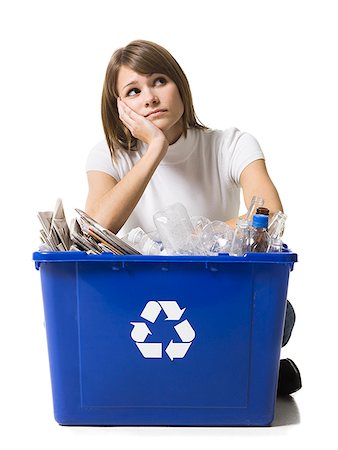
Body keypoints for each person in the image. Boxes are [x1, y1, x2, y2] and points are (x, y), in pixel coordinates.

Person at [85, 39, 301, 395]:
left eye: (159, 81)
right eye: (134, 91)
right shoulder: (107, 156)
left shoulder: (231, 144)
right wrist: (154, 149)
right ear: (119, 108)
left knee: (281, 313)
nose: (150, 98)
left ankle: (218, 373)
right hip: (135, 300)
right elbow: (95, 228)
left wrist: (196, 236)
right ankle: (245, 373)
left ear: (179, 86)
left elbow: (268, 212)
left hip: (215, 296)